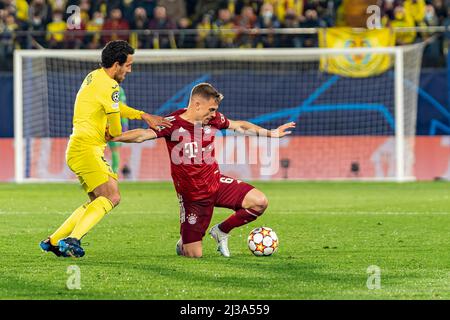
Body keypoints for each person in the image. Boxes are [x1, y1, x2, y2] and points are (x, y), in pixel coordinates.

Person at [110, 83, 295, 258]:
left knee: (259, 202)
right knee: (194, 254)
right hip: (193, 198)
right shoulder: (172, 123)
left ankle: (221, 230)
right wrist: (114, 136)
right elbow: (142, 135)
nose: (214, 113)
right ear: (197, 104)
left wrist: (272, 133)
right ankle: (183, 243)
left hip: (216, 183)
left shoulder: (213, 120)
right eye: (211, 109)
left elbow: (240, 125)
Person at [39, 40, 171, 258]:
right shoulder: (111, 85)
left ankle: (53, 241)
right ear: (117, 64)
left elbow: (116, 108)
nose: (129, 70)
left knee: (97, 200)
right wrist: (121, 133)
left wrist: (143, 115)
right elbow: (116, 130)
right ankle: (72, 240)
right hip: (87, 149)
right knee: (112, 196)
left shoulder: (94, 76)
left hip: (78, 148)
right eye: (128, 65)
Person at [108, 87, 129, 175]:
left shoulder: (119, 90)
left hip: (113, 124)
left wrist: (124, 124)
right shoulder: (119, 89)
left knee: (114, 149)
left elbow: (123, 108)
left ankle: (114, 172)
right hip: (105, 123)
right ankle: (114, 172)